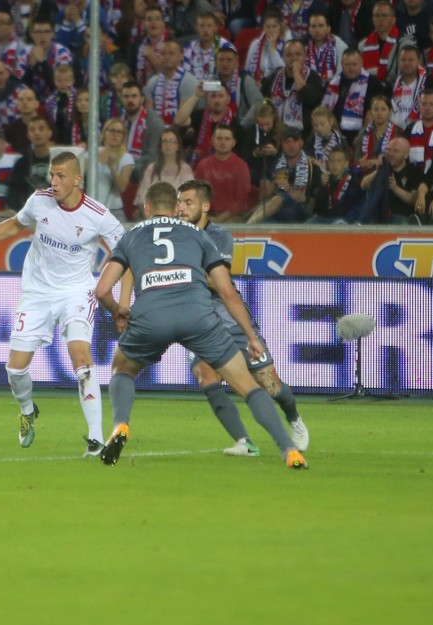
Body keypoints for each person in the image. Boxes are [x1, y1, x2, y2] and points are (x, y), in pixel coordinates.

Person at [93, 181, 307, 469]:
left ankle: (120, 425)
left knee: (122, 369)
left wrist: (118, 310)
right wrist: (250, 335)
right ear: (176, 206)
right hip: (199, 316)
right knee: (246, 384)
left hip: (151, 316)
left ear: (146, 208)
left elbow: (102, 289)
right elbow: (228, 291)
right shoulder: (198, 235)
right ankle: (289, 450)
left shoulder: (132, 236)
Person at [0, 151, 125, 456]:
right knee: (14, 369)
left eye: (61, 175)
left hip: (77, 292)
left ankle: (96, 439)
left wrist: (119, 299)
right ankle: (27, 410)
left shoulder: (98, 214)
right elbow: (15, 224)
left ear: (78, 179)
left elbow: (125, 251)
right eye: (52, 174)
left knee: (81, 359)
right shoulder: (40, 200)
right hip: (37, 293)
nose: (54, 181)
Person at [175, 178, 310, 455]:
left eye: (188, 202)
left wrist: (182, 272)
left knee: (270, 385)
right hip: (200, 321)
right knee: (205, 375)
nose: (181, 208)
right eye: (179, 202)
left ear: (205, 206)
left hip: (230, 318)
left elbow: (217, 281)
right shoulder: (174, 237)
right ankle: (244, 442)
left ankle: (294, 416)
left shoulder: (220, 236)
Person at [246, 126, 320, 223]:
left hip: (301, 211)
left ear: (301, 143)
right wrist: (272, 185)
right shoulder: (275, 164)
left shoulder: (313, 167)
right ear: (281, 144)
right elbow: (263, 198)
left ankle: (248, 226)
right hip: (276, 210)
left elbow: (308, 201)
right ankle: (248, 226)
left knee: (280, 198)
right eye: (287, 142)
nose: (291, 145)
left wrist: (287, 188)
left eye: (294, 141)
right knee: (268, 221)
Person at [321, 48, 385, 145]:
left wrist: (361, 137)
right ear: (342, 64)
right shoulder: (334, 83)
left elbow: (372, 112)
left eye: (354, 64)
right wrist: (337, 136)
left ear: (361, 63)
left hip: (363, 134)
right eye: (347, 65)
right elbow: (325, 111)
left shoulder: (372, 82)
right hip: (335, 134)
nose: (351, 68)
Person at [262, 39, 324, 137]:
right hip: (275, 132)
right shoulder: (274, 77)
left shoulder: (313, 77)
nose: (294, 58)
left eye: (298, 54)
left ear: (305, 56)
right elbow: (264, 101)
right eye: (289, 55)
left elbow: (310, 100)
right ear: (283, 57)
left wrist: (296, 74)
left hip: (302, 134)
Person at [193, 124, 251, 221]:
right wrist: (205, 217)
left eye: (227, 139)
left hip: (232, 217)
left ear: (233, 143)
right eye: (219, 138)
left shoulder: (241, 166)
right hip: (207, 216)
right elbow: (198, 196)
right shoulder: (203, 165)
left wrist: (220, 219)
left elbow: (241, 201)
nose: (223, 142)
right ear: (212, 141)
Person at [358, 136, 421, 224]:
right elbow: (364, 185)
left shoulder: (414, 171)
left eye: (396, 151)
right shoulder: (383, 168)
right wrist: (378, 171)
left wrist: (395, 188)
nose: (390, 154)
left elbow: (412, 199)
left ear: (406, 155)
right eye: (388, 150)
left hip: (401, 214)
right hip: (379, 213)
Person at [133, 126, 195, 216]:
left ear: (178, 145)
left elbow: (190, 200)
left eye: (172, 141)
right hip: (153, 219)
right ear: (160, 145)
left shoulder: (185, 169)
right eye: (165, 141)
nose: (168, 145)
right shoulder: (151, 169)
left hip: (178, 220)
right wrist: (150, 220)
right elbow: (141, 201)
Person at [144, 38, 199, 127]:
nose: (167, 57)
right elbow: (148, 115)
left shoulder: (189, 81)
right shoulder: (152, 82)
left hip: (180, 131)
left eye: (171, 53)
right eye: (163, 54)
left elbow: (182, 119)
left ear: (181, 56)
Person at [89, 118, 134, 222]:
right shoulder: (93, 153)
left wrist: (113, 168)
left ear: (123, 136)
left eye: (119, 132)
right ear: (104, 133)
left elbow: (122, 187)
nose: (115, 134)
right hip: (92, 210)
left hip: (114, 211)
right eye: (112, 130)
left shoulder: (126, 157)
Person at [5, 116, 53, 212]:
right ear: (28, 135)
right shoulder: (21, 164)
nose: (37, 133)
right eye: (32, 130)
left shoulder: (61, 161)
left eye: (41, 129)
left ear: (49, 133)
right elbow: (13, 194)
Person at [22, 17, 73, 103]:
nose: (42, 36)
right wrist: (30, 67)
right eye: (38, 32)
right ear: (31, 34)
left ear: (52, 34)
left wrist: (43, 62)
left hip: (57, 100)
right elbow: (21, 87)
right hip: (32, 102)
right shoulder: (24, 53)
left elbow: (61, 85)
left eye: (46, 31)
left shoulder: (62, 53)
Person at [309, 146, 365, 223]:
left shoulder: (354, 182)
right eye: (331, 161)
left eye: (339, 161)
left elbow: (352, 209)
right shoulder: (325, 180)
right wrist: (322, 187)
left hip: (344, 221)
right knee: (309, 223)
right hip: (324, 219)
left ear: (346, 164)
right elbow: (318, 210)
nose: (334, 164)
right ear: (327, 163)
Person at [352, 94, 402, 174]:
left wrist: (376, 162)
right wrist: (362, 162)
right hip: (365, 173)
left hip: (389, 174)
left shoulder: (398, 133)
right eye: (375, 110)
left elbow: (399, 160)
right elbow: (356, 159)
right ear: (371, 112)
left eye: (383, 109)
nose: (379, 113)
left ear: (389, 112)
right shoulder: (363, 132)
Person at [403, 86, 433, 173]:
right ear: (419, 106)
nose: (427, 108)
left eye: (432, 104)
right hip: (413, 176)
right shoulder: (410, 129)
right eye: (424, 104)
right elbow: (403, 156)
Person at [240, 101, 282, 188]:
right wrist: (255, 153)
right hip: (255, 172)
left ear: (273, 118)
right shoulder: (251, 132)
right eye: (260, 125)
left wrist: (275, 152)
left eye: (267, 124)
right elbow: (243, 155)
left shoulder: (282, 132)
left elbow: (290, 156)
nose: (264, 128)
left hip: (276, 172)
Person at [181, 11, 232, 82]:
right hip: (195, 90)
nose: (205, 30)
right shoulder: (189, 48)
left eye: (209, 26)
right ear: (196, 28)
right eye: (202, 26)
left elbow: (231, 77)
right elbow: (185, 77)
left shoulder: (226, 47)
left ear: (216, 28)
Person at [244, 8, 291, 85]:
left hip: (278, 86)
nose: (271, 30)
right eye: (268, 27)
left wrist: (272, 49)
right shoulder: (255, 44)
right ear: (264, 28)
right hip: (257, 85)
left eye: (274, 26)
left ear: (281, 27)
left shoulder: (287, 45)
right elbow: (246, 70)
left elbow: (283, 72)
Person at [304, 11, 348, 85]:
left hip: (335, 88)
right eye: (313, 26)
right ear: (309, 30)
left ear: (328, 28)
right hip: (311, 89)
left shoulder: (340, 46)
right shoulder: (304, 49)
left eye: (321, 26)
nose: (317, 30)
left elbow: (341, 72)